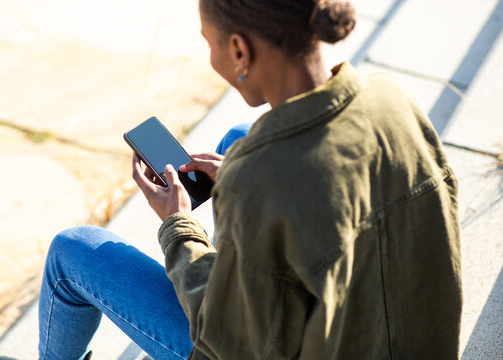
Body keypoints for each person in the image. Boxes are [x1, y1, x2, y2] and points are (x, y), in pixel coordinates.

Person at [38, 0, 462, 359]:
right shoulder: (392, 97)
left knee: (71, 252)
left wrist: (177, 226)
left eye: (209, 43)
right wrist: (242, 179)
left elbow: (230, 345)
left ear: (240, 49)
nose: (211, 57)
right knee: (240, 138)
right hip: (406, 338)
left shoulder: (257, 179)